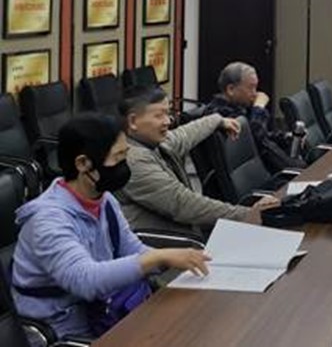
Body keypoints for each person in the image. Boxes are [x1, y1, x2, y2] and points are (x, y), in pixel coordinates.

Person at [12, 113, 211, 339]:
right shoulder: (47, 220)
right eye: (118, 158)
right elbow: (85, 280)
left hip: (105, 312)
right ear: (83, 164)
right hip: (65, 331)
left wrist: (177, 259)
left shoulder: (103, 199)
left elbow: (131, 249)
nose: (125, 165)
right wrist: (158, 258)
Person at [116, 85, 278, 236]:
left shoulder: (152, 142)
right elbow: (184, 204)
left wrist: (218, 120)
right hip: (164, 246)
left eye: (167, 113)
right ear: (132, 121)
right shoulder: (132, 160)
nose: (168, 121)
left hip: (184, 236)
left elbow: (185, 134)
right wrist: (247, 214)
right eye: (159, 115)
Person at [204, 62, 306, 172]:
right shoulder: (220, 114)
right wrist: (259, 108)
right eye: (251, 88)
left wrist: (286, 137)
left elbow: (264, 135)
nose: (255, 94)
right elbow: (255, 138)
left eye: (255, 87)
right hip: (260, 175)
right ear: (231, 89)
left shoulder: (240, 107)